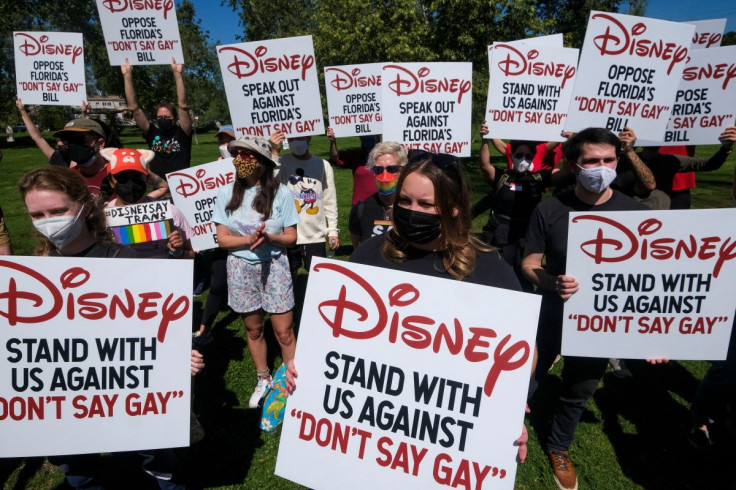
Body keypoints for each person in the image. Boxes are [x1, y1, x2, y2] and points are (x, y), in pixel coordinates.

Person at [349, 150, 529, 461]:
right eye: (404, 201)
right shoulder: (369, 256)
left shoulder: (489, 269)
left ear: (454, 207)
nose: (411, 210)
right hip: (372, 426)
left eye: (426, 204)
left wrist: (507, 411)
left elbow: (524, 348)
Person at [520, 128, 669, 490]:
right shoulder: (550, 209)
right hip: (553, 312)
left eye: (607, 160)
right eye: (591, 161)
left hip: (600, 323)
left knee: (580, 388)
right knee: (527, 378)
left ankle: (558, 446)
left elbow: (652, 280)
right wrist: (550, 280)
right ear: (573, 165)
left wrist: (658, 334)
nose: (600, 167)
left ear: (617, 161)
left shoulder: (634, 212)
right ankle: (506, 429)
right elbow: (529, 262)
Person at [212, 135, 299, 408]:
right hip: (240, 267)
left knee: (284, 332)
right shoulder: (227, 193)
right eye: (237, 155)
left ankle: (293, 378)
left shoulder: (281, 193)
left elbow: (292, 237)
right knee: (253, 329)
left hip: (275, 265)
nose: (241, 161)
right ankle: (263, 377)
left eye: (247, 156)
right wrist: (247, 240)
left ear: (262, 163)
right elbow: (222, 239)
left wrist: (270, 239)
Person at [101, 147, 193, 259]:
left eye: (137, 176)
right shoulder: (102, 218)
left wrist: (177, 251)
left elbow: (191, 255)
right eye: (122, 177)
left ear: (146, 178)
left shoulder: (171, 212)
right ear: (111, 182)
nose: (130, 183)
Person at [276, 135, 339, 279]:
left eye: (300, 137)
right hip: (287, 233)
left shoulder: (323, 165)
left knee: (320, 279)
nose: (296, 141)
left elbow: (330, 200)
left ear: (309, 137)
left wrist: (333, 230)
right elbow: (271, 184)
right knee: (288, 278)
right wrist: (274, 152)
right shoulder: (281, 162)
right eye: (291, 139)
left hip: (315, 234)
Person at [121, 58, 193, 180]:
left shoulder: (183, 133)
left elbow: (183, 106)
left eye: (167, 117)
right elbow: (135, 109)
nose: (163, 119)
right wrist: (127, 76)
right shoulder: (152, 132)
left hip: (182, 186)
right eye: (159, 117)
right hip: (159, 189)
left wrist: (177, 75)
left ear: (174, 118)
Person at [348, 141, 407, 248]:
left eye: (392, 169)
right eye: (378, 169)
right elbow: (358, 248)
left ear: (403, 170)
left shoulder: (414, 208)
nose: (385, 175)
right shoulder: (361, 209)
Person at [479, 121, 564, 172]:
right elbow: (485, 165)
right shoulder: (511, 150)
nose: (523, 159)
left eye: (528, 156)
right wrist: (487, 132)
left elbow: (556, 141)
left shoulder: (539, 150)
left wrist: (565, 135)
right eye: (519, 155)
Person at [327, 126, 379, 204]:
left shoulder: (387, 155)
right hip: (360, 204)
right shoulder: (355, 155)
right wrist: (333, 142)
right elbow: (335, 158)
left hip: (381, 203)